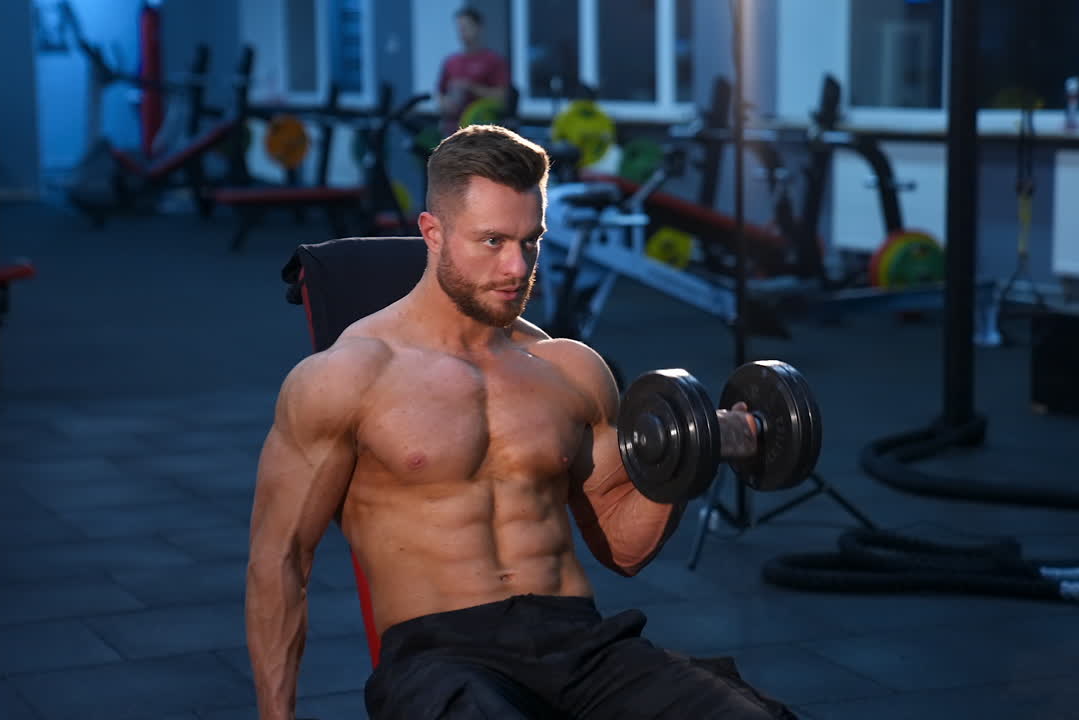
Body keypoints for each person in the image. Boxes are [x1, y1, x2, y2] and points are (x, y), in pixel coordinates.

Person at [245, 125, 797, 719]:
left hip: (582, 648)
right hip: (441, 659)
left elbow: (624, 547)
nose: (516, 267)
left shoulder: (569, 368)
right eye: (492, 241)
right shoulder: (348, 375)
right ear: (432, 232)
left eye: (530, 241)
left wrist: (696, 447)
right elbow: (280, 561)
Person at [436, 7, 510, 136]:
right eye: (459, 28)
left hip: (483, 131)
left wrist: (470, 87)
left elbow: (501, 98)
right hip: (452, 132)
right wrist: (447, 105)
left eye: (466, 27)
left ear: (478, 28)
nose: (462, 32)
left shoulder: (493, 61)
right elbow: (440, 95)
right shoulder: (450, 62)